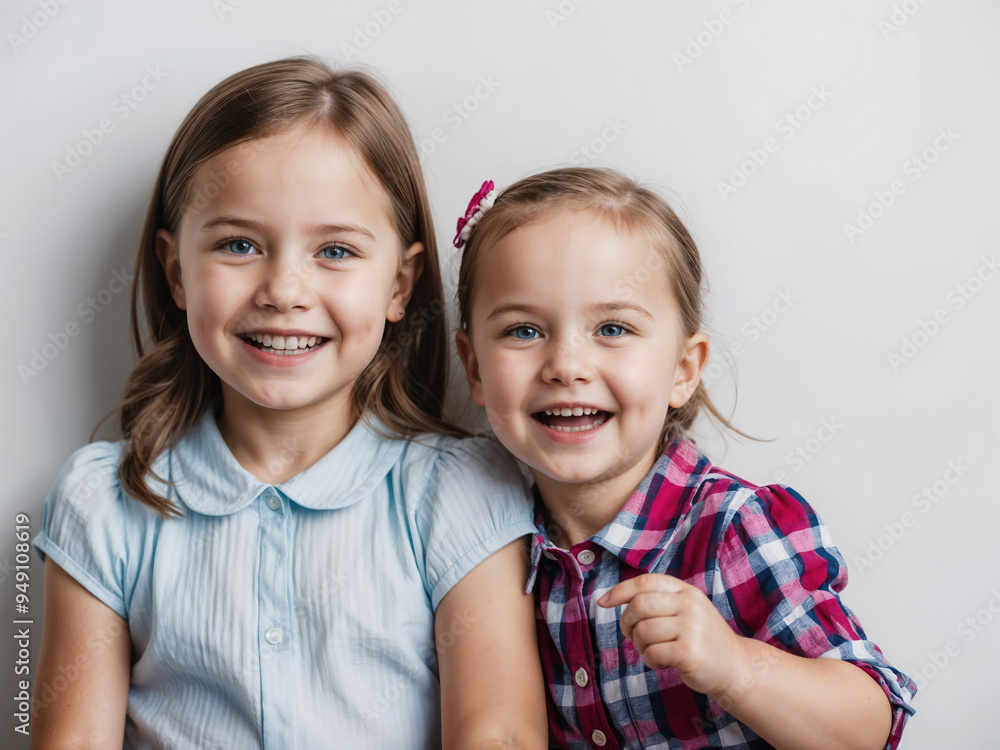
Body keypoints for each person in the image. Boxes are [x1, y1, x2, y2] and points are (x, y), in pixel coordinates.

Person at [31, 58, 546, 750]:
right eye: (239, 244)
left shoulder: (458, 492)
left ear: (400, 285)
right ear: (176, 270)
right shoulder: (104, 502)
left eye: (334, 250)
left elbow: (501, 733)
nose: (284, 289)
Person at [453, 168, 916, 749]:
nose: (566, 365)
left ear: (683, 369)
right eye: (523, 331)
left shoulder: (733, 527)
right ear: (473, 368)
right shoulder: (503, 556)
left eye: (612, 328)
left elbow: (869, 727)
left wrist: (736, 667)